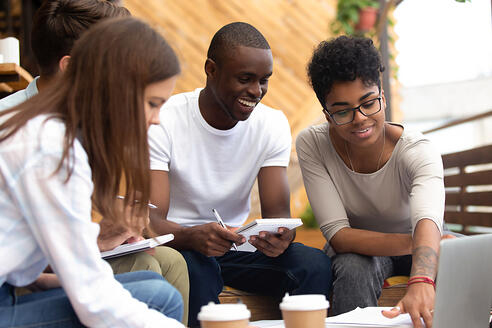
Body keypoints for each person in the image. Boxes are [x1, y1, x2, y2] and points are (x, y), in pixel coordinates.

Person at [0, 0, 189, 323]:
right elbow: (93, 301)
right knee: (158, 300)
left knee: (154, 287)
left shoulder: (52, 132)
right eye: (151, 103)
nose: (157, 120)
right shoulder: (50, 147)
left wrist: (97, 238)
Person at [148, 22, 332, 327]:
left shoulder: (271, 124)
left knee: (313, 265)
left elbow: (279, 218)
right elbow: (150, 221)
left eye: (264, 81)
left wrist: (281, 238)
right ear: (211, 69)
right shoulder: (165, 118)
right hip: (182, 245)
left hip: (236, 247)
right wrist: (192, 236)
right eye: (245, 79)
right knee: (198, 272)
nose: (256, 91)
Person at [297, 36, 451, 328]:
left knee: (465, 260)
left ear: (382, 94)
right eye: (342, 111)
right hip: (358, 247)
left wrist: (422, 276)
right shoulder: (312, 144)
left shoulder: (417, 151)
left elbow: (427, 220)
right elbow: (339, 235)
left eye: (369, 103)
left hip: (415, 237)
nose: (360, 118)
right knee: (355, 265)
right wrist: (423, 246)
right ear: (327, 114)